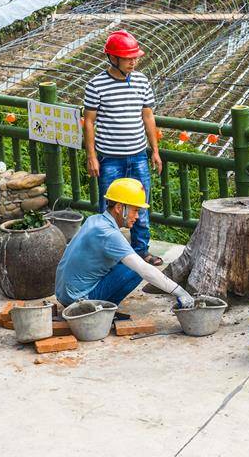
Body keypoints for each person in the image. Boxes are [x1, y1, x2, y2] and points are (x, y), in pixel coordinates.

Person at [83, 30, 163, 265]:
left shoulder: (141, 81)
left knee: (141, 206)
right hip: (110, 158)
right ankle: (108, 253)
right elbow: (88, 121)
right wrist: (92, 156)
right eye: (128, 58)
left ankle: (141, 251)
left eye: (135, 58)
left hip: (138, 155)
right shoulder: (96, 85)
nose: (133, 62)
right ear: (113, 59)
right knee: (109, 209)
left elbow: (148, 116)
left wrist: (154, 151)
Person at [55, 178, 195, 310]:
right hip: (79, 300)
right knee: (135, 269)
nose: (137, 216)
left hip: (64, 295)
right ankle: (105, 309)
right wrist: (180, 292)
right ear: (119, 208)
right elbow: (144, 270)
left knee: (128, 261)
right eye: (135, 210)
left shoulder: (95, 220)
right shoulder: (109, 235)